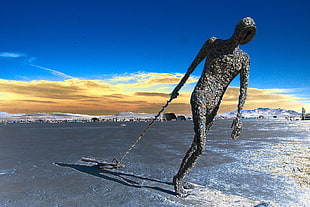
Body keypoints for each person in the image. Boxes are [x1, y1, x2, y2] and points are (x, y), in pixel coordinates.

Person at [170, 17, 256, 196]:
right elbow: (193, 66)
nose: (244, 36)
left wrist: (239, 117)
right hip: (201, 96)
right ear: (237, 29)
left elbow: (244, 89)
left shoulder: (244, 58)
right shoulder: (213, 43)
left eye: (249, 34)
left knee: (196, 143)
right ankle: (178, 180)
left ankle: (179, 177)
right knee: (201, 145)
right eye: (244, 31)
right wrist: (177, 88)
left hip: (215, 104)